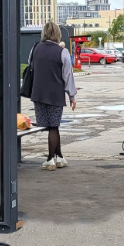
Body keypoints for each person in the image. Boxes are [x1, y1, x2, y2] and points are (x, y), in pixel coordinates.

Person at [30, 22, 77, 171]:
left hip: (38, 94)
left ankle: (59, 157)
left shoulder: (35, 48)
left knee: (49, 127)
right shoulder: (62, 52)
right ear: (58, 34)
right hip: (55, 95)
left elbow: (32, 67)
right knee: (54, 127)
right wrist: (72, 96)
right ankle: (51, 159)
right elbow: (68, 76)